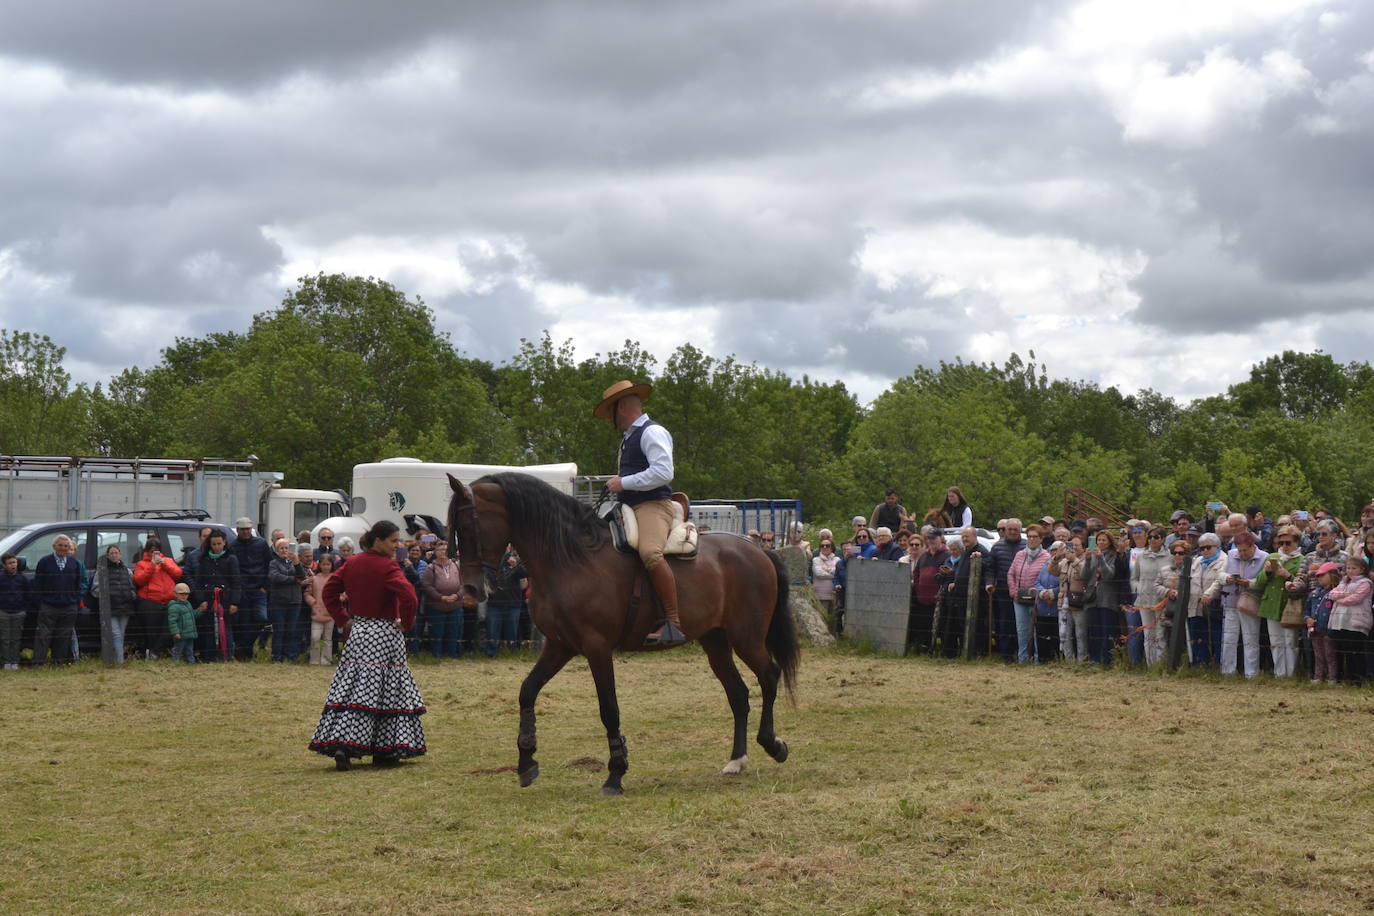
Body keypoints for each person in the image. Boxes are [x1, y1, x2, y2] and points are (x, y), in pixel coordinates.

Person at [310, 520, 425, 770]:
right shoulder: (388, 567)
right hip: (384, 633)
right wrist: (405, 622)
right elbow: (409, 596)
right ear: (378, 540)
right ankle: (384, 750)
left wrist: (344, 619)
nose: (398, 546)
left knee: (354, 688)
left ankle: (343, 743)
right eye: (394, 541)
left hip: (359, 631)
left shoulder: (351, 563)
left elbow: (329, 591)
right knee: (386, 691)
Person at [597, 379, 684, 646]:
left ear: (621, 408)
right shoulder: (630, 437)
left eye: (610, 413)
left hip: (653, 506)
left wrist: (623, 482)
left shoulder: (651, 432)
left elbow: (663, 472)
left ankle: (673, 622)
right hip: (630, 506)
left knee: (650, 552)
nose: (610, 420)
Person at [1255, 524, 1303, 678]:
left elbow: (1302, 583)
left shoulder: (1302, 559)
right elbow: (1259, 582)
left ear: (1296, 543)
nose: (1284, 546)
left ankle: (1291, 673)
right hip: (1271, 604)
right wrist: (1268, 572)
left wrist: (1287, 575)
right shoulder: (1272, 557)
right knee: (1275, 642)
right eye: (1280, 543)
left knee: (1290, 642)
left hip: (1289, 605)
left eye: (1288, 543)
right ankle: (1279, 673)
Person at [1219, 530, 1267, 678]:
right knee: (1228, 638)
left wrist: (1249, 583)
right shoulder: (1231, 554)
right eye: (1239, 550)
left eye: (1245, 550)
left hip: (1250, 604)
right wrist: (1227, 578)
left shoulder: (1264, 557)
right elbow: (1219, 574)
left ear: (1252, 546)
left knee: (1250, 638)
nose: (1241, 553)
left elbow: (1263, 581)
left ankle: (1251, 674)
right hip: (1231, 601)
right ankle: (1227, 671)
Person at [32, 535, 85, 665]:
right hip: (48, 606)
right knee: (43, 636)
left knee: (63, 637)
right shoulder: (44, 562)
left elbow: (79, 584)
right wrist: (41, 602)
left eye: (66, 546)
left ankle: (58, 663)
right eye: (60, 545)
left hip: (69, 607)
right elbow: (38, 584)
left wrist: (75, 601)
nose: (63, 548)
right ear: (54, 546)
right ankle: (38, 664)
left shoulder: (74, 563)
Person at [192, 530, 240, 662]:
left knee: (226, 629)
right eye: (214, 544)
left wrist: (234, 603)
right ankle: (210, 657)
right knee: (209, 629)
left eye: (219, 543)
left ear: (224, 543)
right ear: (210, 544)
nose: (217, 547)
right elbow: (198, 582)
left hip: (226, 600)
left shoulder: (231, 559)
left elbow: (236, 582)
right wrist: (201, 599)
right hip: (209, 600)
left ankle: (226, 656)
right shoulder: (204, 559)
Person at [230, 518, 274, 661]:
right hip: (242, 590)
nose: (245, 531)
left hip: (258, 589)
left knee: (262, 618)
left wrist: (265, 587)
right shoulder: (232, 546)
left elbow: (270, 565)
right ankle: (245, 652)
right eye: (242, 529)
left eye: (248, 529)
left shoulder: (261, 543)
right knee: (243, 622)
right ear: (237, 530)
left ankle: (244, 648)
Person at [942, 527, 989, 658]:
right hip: (961, 597)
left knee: (976, 627)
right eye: (963, 537)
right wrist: (955, 582)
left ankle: (977, 654)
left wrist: (980, 560)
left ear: (975, 537)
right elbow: (961, 571)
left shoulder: (981, 552)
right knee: (962, 627)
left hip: (975, 599)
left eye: (967, 536)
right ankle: (965, 653)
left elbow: (988, 567)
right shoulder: (965, 552)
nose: (964, 539)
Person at [1082, 530, 1127, 666]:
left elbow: (1109, 575)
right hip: (1092, 599)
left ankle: (1107, 661)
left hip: (1107, 600)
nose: (1101, 542)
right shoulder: (1092, 555)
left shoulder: (1113, 556)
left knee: (1107, 632)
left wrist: (1101, 558)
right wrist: (1088, 559)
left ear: (1109, 542)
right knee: (1094, 632)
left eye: (1104, 540)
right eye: (1099, 540)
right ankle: (1094, 660)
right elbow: (1084, 575)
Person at [1006, 525, 1050, 664]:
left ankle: (1037, 659)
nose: (1031, 539)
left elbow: (1046, 578)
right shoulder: (1020, 554)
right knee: (1021, 629)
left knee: (1036, 630)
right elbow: (1011, 573)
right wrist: (1013, 591)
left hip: (1037, 599)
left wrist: (1038, 593)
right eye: (1029, 536)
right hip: (1019, 598)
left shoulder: (1046, 556)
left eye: (1035, 537)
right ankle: (1023, 659)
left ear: (1041, 539)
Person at [133, 536, 182, 659]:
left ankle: (156, 651)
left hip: (169, 600)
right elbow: (139, 580)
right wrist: (152, 566)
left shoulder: (168, 560)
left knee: (169, 628)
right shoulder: (141, 564)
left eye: (157, 551)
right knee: (152, 630)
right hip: (150, 601)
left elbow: (178, 574)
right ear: (147, 551)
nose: (154, 553)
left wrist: (164, 564)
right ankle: (153, 653)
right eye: (151, 551)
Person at [1327, 555, 1372, 686]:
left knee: (1356, 650)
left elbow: (1357, 598)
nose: (1350, 570)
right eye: (1348, 568)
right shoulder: (1343, 582)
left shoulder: (1365, 583)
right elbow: (1331, 594)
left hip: (1356, 622)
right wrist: (1344, 595)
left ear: (1362, 569)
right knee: (1345, 650)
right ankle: (1348, 676)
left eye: (1354, 568)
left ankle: (1359, 678)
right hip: (1341, 621)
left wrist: (1340, 599)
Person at [986, 518, 1026, 662]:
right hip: (1003, 591)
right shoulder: (997, 547)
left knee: (1021, 624)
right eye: (1010, 529)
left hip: (1022, 592)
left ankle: (1020, 652)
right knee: (1004, 624)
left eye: (1016, 529)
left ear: (1020, 530)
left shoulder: (1026, 546)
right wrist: (989, 583)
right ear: (1006, 530)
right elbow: (990, 569)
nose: (1013, 532)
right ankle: (1006, 655)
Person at [1130, 526, 1171, 667]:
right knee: (1148, 634)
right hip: (1144, 599)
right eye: (1150, 537)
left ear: (1163, 539)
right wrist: (1138, 588)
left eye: (1156, 537)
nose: (1153, 540)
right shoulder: (1142, 556)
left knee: (1160, 634)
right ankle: (1150, 665)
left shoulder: (1170, 556)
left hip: (1162, 600)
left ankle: (1161, 665)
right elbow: (1134, 577)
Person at [92, 544, 137, 665]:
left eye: (116, 553)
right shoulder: (101, 571)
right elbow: (95, 589)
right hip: (109, 608)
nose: (114, 555)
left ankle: (115, 658)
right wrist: (105, 598)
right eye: (111, 553)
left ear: (120, 554)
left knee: (120, 634)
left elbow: (133, 587)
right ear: (107, 555)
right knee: (116, 634)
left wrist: (131, 595)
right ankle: (120, 661)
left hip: (125, 607)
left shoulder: (127, 570)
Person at [1186, 533, 1227, 667]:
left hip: (1215, 605)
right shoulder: (1197, 560)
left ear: (1217, 546)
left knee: (1217, 637)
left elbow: (1219, 581)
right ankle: (1201, 664)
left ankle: (1220, 665)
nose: (1204, 551)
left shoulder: (1224, 560)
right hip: (1196, 605)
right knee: (1198, 636)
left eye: (1208, 547)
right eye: (1201, 548)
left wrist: (1209, 594)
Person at [421, 541, 464, 659]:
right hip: (437, 607)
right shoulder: (431, 567)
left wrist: (457, 596)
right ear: (435, 552)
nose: (443, 552)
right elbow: (427, 586)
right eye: (440, 549)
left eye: (445, 549)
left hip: (455, 606)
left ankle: (452, 655)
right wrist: (441, 597)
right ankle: (437, 655)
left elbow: (463, 584)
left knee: (453, 632)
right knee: (437, 632)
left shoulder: (456, 565)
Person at [908, 529, 948, 655]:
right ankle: (924, 648)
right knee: (923, 625)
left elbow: (948, 575)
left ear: (940, 539)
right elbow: (916, 574)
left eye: (934, 539)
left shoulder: (946, 555)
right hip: (923, 598)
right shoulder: (924, 556)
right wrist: (918, 589)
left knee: (940, 626)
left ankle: (940, 649)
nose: (931, 541)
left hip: (939, 599)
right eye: (929, 539)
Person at [268, 538, 308, 663]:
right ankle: (276, 657)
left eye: (286, 547)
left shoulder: (294, 563)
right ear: (276, 550)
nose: (284, 550)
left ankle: (288, 656)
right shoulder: (273, 563)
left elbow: (302, 576)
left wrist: (296, 563)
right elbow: (275, 577)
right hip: (279, 602)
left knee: (290, 631)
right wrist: (293, 580)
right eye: (281, 548)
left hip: (294, 602)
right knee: (279, 631)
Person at [486, 546, 529, 655]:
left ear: (508, 548)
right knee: (492, 631)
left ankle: (511, 653)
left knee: (512, 631)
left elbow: (524, 575)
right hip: (494, 604)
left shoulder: (516, 561)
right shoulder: (491, 562)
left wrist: (514, 565)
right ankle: (491, 653)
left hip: (513, 603)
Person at [1305, 562, 1339, 683]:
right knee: (1318, 654)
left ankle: (1332, 677)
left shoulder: (1336, 593)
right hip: (1315, 629)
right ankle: (1318, 676)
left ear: (1332, 575)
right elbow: (1307, 608)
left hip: (1329, 629)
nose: (1319, 578)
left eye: (1322, 575)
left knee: (1330, 654)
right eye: (1317, 576)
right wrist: (1307, 618)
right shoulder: (1314, 593)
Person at [304, 552, 339, 665]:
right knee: (315, 637)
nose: (325, 567)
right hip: (317, 613)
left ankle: (326, 660)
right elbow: (307, 594)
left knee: (328, 639)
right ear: (320, 565)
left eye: (328, 564)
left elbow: (342, 594)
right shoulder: (314, 578)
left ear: (331, 565)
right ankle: (314, 660)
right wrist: (313, 603)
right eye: (323, 564)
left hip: (330, 613)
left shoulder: (335, 578)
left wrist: (336, 602)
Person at [0, 552, 31, 670]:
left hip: (19, 612)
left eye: (14, 562)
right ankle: (6, 661)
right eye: (9, 563)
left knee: (16, 638)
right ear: (4, 565)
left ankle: (15, 661)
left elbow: (28, 595)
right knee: (5, 639)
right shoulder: (1, 578)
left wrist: (24, 609)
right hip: (3, 612)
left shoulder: (22, 578)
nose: (13, 565)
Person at [166, 583, 197, 665]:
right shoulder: (174, 607)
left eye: (186, 594)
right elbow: (172, 621)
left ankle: (191, 663)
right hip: (180, 634)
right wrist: (175, 632)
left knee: (189, 650)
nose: (184, 596)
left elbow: (192, 615)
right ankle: (175, 663)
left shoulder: (188, 604)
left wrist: (200, 610)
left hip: (190, 634)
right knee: (178, 650)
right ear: (175, 594)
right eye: (181, 594)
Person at [811, 538, 840, 618]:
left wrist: (827, 569)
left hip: (835, 595)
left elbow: (838, 573)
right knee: (822, 618)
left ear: (832, 547)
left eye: (827, 545)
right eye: (822, 545)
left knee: (834, 619)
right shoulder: (816, 560)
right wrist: (833, 572)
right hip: (820, 595)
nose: (824, 547)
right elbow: (819, 573)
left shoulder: (837, 559)